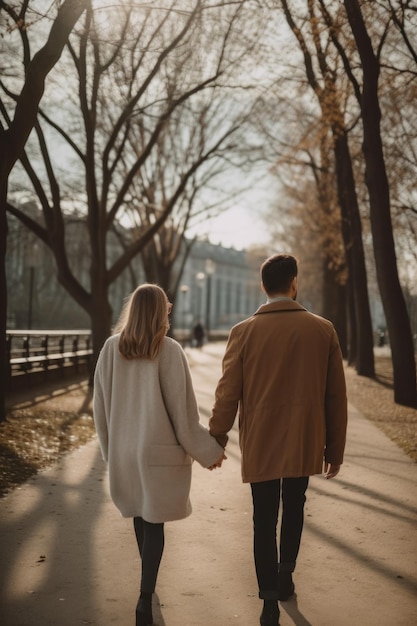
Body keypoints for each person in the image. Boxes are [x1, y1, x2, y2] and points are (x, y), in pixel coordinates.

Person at [209, 254, 348, 626]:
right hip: (305, 437)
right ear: (294, 282)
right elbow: (335, 396)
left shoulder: (243, 332)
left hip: (261, 439)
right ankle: (285, 574)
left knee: (263, 517)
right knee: (295, 504)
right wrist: (334, 450)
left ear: (263, 286)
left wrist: (216, 437)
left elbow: (227, 394)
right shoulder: (323, 330)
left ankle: (268, 599)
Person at [93, 284, 225, 626]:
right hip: (157, 455)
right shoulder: (167, 350)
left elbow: (100, 409)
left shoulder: (110, 349)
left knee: (140, 516)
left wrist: (110, 451)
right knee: (155, 523)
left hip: (125, 452)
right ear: (158, 312)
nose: (169, 312)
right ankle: (145, 595)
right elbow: (184, 416)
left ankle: (145, 588)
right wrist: (209, 451)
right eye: (165, 308)